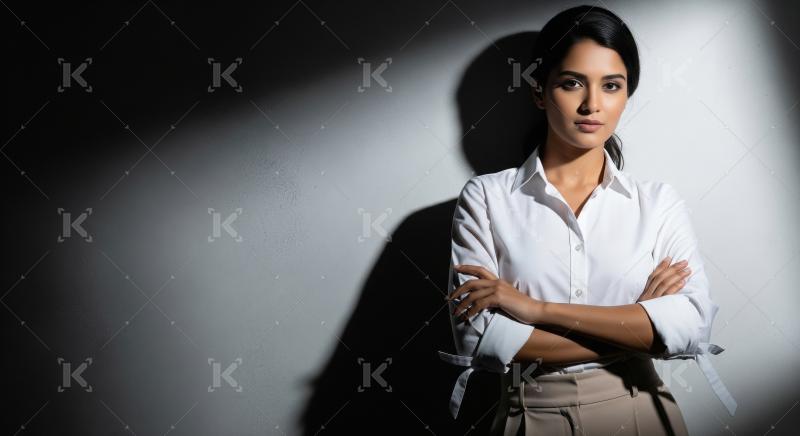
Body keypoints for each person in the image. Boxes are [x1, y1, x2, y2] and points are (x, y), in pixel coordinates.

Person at [437, 5, 737, 435]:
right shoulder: (486, 198)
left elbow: (691, 328)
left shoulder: (657, 203)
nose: (592, 104)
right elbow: (479, 341)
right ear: (539, 92)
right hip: (532, 418)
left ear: (626, 95)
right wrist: (640, 323)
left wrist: (536, 310)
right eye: (572, 83)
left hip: (642, 414)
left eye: (611, 85)